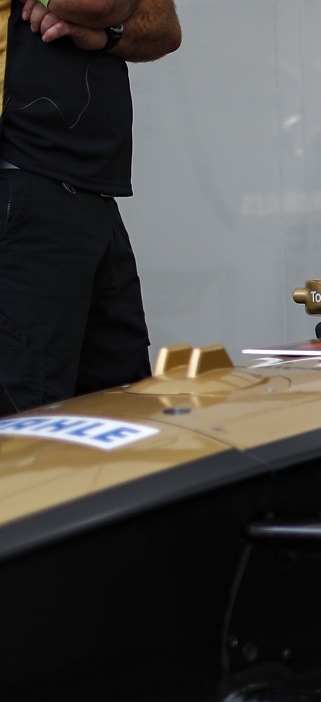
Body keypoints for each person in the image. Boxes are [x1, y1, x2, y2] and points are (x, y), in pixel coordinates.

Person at [0, 0, 181, 413]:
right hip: (22, 183)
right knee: (28, 439)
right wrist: (107, 17)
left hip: (92, 197)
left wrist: (105, 34)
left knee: (123, 426)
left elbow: (166, 29)